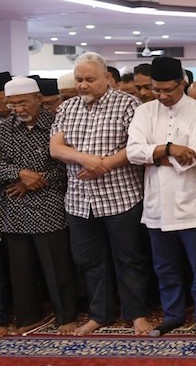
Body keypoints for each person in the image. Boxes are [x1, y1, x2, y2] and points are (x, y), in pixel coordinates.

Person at [50, 52, 152, 335]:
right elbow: (56, 148)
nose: (82, 85)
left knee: (129, 259)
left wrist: (104, 164)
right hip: (80, 200)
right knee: (89, 260)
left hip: (121, 196)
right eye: (79, 79)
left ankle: (136, 314)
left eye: (89, 79)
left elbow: (136, 147)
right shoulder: (67, 107)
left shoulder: (128, 104)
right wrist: (88, 160)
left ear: (107, 78)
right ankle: (100, 314)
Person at [126, 57, 196, 337]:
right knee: (164, 267)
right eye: (156, 90)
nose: (162, 96)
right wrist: (169, 148)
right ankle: (173, 314)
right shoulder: (144, 112)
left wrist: (154, 156)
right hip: (157, 205)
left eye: (168, 90)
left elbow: (195, 157)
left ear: (183, 83)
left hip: (192, 202)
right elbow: (132, 152)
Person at [0, 76, 77, 334]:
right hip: (14, 207)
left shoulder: (57, 125)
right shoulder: (4, 128)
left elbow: (67, 168)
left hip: (49, 204)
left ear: (38, 98)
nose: (18, 109)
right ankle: (27, 317)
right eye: (12, 105)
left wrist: (37, 180)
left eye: (23, 103)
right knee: (20, 270)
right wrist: (20, 174)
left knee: (57, 266)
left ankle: (66, 316)